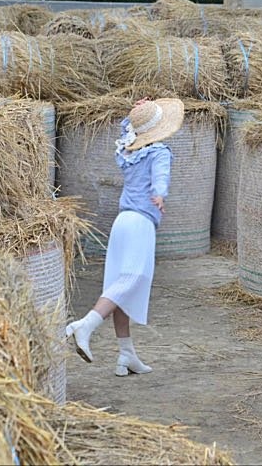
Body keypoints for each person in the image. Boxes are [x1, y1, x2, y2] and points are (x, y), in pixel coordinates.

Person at [65, 96, 184, 377]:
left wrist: (136, 113)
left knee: (122, 287)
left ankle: (126, 355)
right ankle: (87, 325)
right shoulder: (159, 152)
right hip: (141, 222)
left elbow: (127, 130)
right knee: (134, 278)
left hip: (122, 223)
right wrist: (159, 193)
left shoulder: (128, 152)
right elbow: (161, 177)